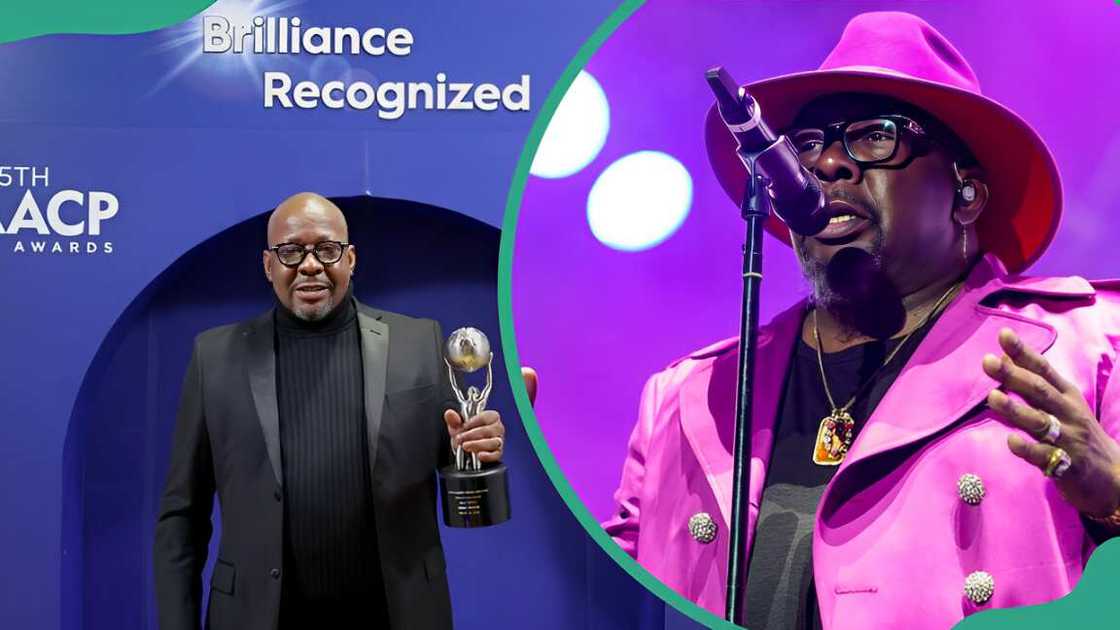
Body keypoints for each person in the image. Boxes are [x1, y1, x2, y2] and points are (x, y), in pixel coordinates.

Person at [603, 12, 1120, 630]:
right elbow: (600, 599)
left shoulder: (1092, 348)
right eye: (809, 144)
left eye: (875, 137)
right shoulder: (688, 399)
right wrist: (526, 488)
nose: (828, 166)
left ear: (966, 194)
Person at [153, 192, 506, 630]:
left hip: (396, 614)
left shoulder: (418, 342)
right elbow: (181, 517)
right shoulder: (215, 357)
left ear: (351, 258)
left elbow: (458, 461)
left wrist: (477, 449)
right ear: (268, 265)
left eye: (326, 249)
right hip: (257, 617)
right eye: (290, 251)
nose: (310, 265)